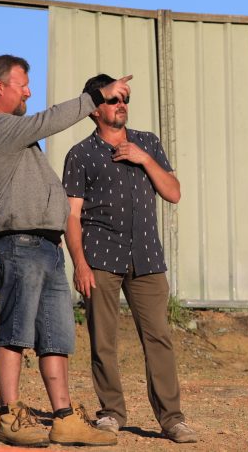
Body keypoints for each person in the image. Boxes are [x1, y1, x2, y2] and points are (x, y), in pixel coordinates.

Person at [0, 55, 131, 448]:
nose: (29, 91)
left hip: (47, 247)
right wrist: (95, 96)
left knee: (56, 339)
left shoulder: (9, 131)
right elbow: (46, 120)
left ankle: (64, 418)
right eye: (22, 84)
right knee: (15, 334)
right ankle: (11, 415)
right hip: (19, 243)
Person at [62, 74, 197, 444]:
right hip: (101, 258)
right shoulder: (80, 155)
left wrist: (145, 159)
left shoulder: (148, 142)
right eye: (113, 100)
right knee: (103, 339)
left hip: (148, 258)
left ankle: (173, 419)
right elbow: (71, 215)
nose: (121, 105)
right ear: (94, 109)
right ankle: (110, 413)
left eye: (125, 100)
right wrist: (80, 263)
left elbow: (173, 192)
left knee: (159, 338)